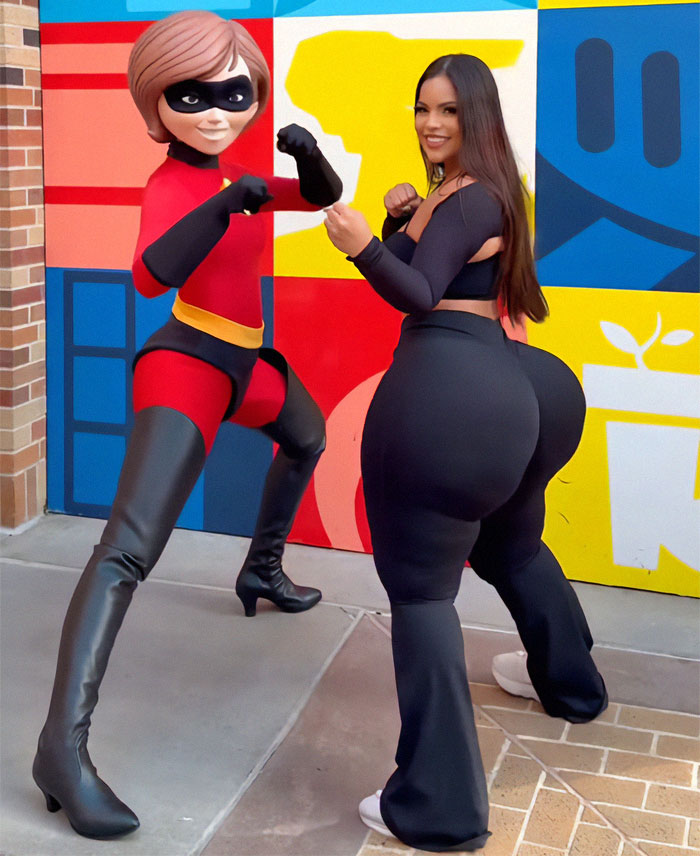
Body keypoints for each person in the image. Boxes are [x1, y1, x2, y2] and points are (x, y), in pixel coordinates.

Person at [32, 11, 342, 838]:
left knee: (307, 435)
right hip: (188, 365)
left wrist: (303, 154)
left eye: (233, 93)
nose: (213, 110)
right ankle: (61, 748)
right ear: (156, 101)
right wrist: (222, 207)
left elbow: (317, 196)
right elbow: (146, 275)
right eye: (190, 95)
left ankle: (261, 571)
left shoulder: (237, 171)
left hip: (247, 365)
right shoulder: (172, 185)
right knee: (126, 550)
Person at [324, 54, 607, 852]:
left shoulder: (471, 194)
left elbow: (416, 293)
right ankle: (572, 686)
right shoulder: (467, 194)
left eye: (447, 110)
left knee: (420, 597)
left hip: (456, 394)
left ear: (478, 115)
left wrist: (357, 244)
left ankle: (438, 804)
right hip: (521, 386)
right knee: (514, 546)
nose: (430, 123)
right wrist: (396, 220)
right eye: (422, 108)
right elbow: (435, 272)